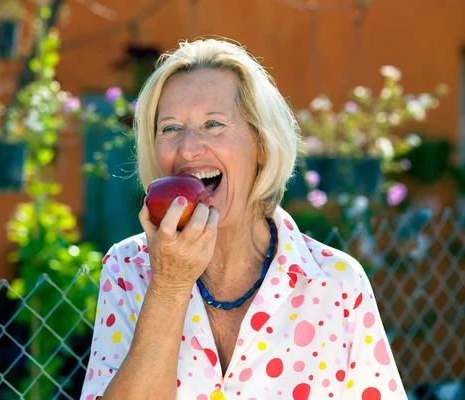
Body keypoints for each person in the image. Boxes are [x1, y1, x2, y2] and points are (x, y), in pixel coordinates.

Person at [80, 38, 407, 400]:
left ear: (262, 145)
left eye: (213, 124)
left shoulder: (336, 284)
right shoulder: (128, 269)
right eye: (170, 128)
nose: (188, 148)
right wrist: (169, 286)